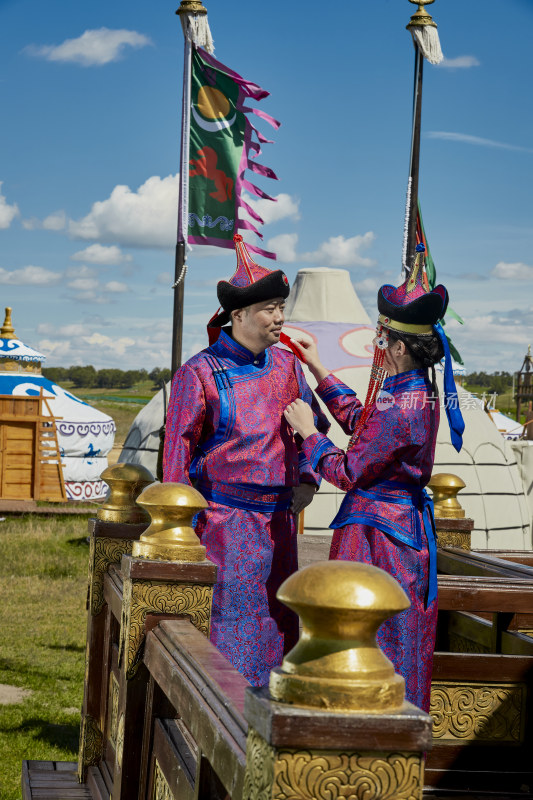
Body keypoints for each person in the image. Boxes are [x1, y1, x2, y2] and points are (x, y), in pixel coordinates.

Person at [284, 245, 464, 711]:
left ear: (399, 347)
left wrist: (308, 434)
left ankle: (367, 739)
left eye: (381, 340)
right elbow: (367, 428)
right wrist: (320, 370)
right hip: (399, 531)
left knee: (368, 641)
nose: (376, 348)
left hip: (378, 540)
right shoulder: (413, 393)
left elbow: (348, 471)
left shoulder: (402, 405)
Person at [163, 234, 329, 687]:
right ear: (238, 315)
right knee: (225, 628)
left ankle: (270, 730)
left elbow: (314, 425)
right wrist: (176, 525)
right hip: (223, 525)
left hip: (279, 525)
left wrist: (309, 480)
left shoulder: (289, 367)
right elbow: (175, 453)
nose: (279, 317)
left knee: (280, 625)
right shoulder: (200, 373)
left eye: (281, 306)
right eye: (269, 309)